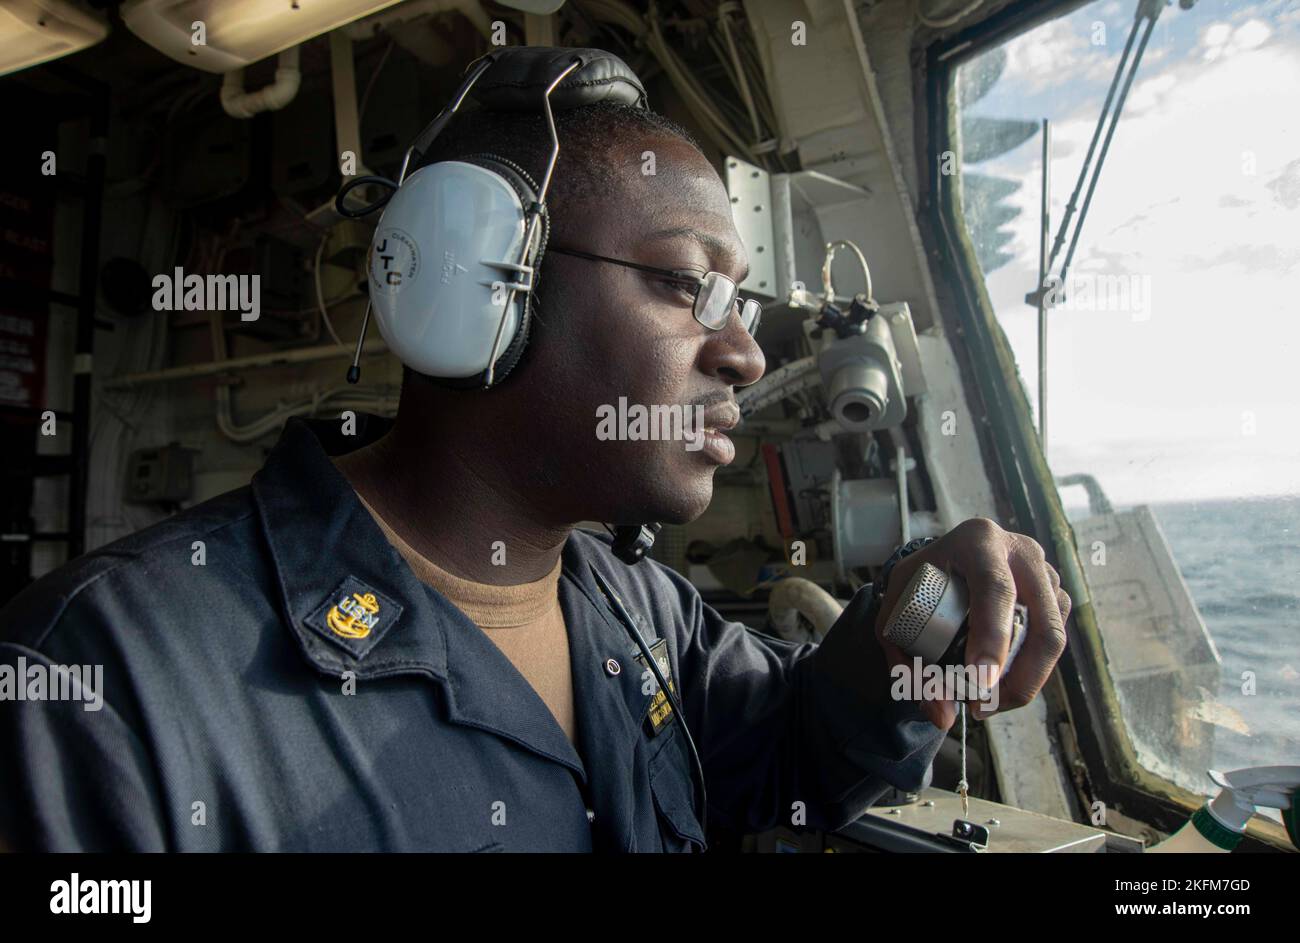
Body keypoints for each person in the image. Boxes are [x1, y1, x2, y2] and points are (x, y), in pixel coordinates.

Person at [0, 51, 1070, 852]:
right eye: (684, 282)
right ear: (471, 286)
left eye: (737, 300)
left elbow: (784, 755)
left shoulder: (636, 610)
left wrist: (897, 638)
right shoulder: (102, 688)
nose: (744, 352)